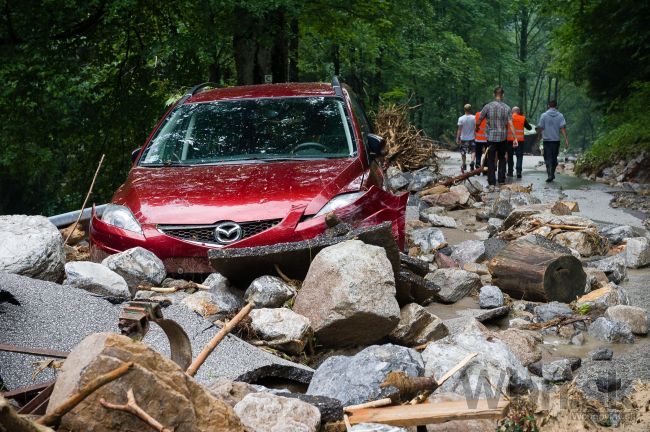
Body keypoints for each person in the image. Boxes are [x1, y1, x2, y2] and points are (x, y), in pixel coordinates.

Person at [476, 86, 518, 186]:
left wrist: (476, 128)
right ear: (503, 95)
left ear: (494, 94)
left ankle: (491, 181)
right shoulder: (507, 108)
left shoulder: (487, 107)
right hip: (503, 138)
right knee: (502, 158)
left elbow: (479, 119)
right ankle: (501, 180)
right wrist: (515, 138)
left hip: (490, 137)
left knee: (490, 159)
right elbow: (511, 124)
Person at [537, 100, 568, 182]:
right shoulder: (560, 116)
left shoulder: (543, 115)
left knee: (547, 157)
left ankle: (550, 174)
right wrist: (566, 139)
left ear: (548, 106)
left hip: (546, 140)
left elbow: (541, 127)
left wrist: (539, 137)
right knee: (554, 157)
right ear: (556, 106)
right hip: (556, 141)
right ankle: (551, 173)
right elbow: (563, 128)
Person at [506, 106, 532, 178]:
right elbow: (529, 128)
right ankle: (518, 171)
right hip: (520, 141)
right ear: (519, 112)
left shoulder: (508, 118)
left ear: (512, 112)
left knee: (510, 156)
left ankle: (510, 172)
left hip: (510, 140)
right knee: (519, 156)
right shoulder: (522, 118)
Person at [456, 103, 476, 173]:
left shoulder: (461, 118)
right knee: (473, 151)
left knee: (463, 152)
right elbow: (476, 128)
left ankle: (464, 164)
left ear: (464, 109)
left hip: (463, 138)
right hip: (472, 138)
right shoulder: (474, 118)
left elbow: (459, 129)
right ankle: (472, 161)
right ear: (470, 109)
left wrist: (457, 138)